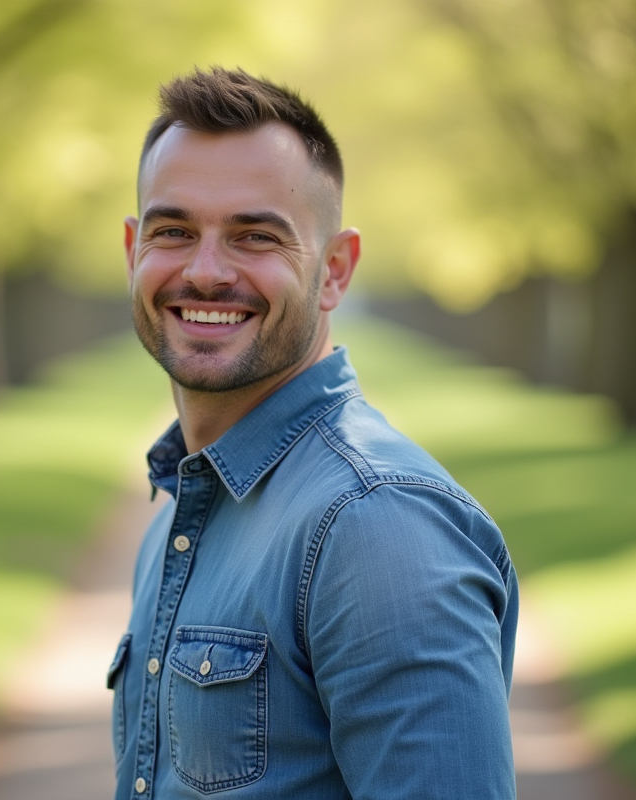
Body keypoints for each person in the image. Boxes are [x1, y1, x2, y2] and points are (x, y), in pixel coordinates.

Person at [108, 67, 517, 799]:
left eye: (254, 237)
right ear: (133, 249)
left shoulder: (376, 526)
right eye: (174, 232)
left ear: (334, 270)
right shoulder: (186, 505)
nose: (206, 272)